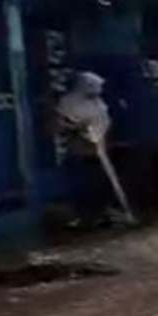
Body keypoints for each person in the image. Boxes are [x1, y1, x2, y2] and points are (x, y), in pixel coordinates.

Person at [56, 71, 112, 228]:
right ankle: (81, 215)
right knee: (80, 186)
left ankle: (98, 214)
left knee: (96, 185)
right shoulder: (69, 102)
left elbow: (105, 123)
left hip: (96, 152)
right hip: (78, 152)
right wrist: (76, 127)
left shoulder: (98, 104)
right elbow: (62, 125)